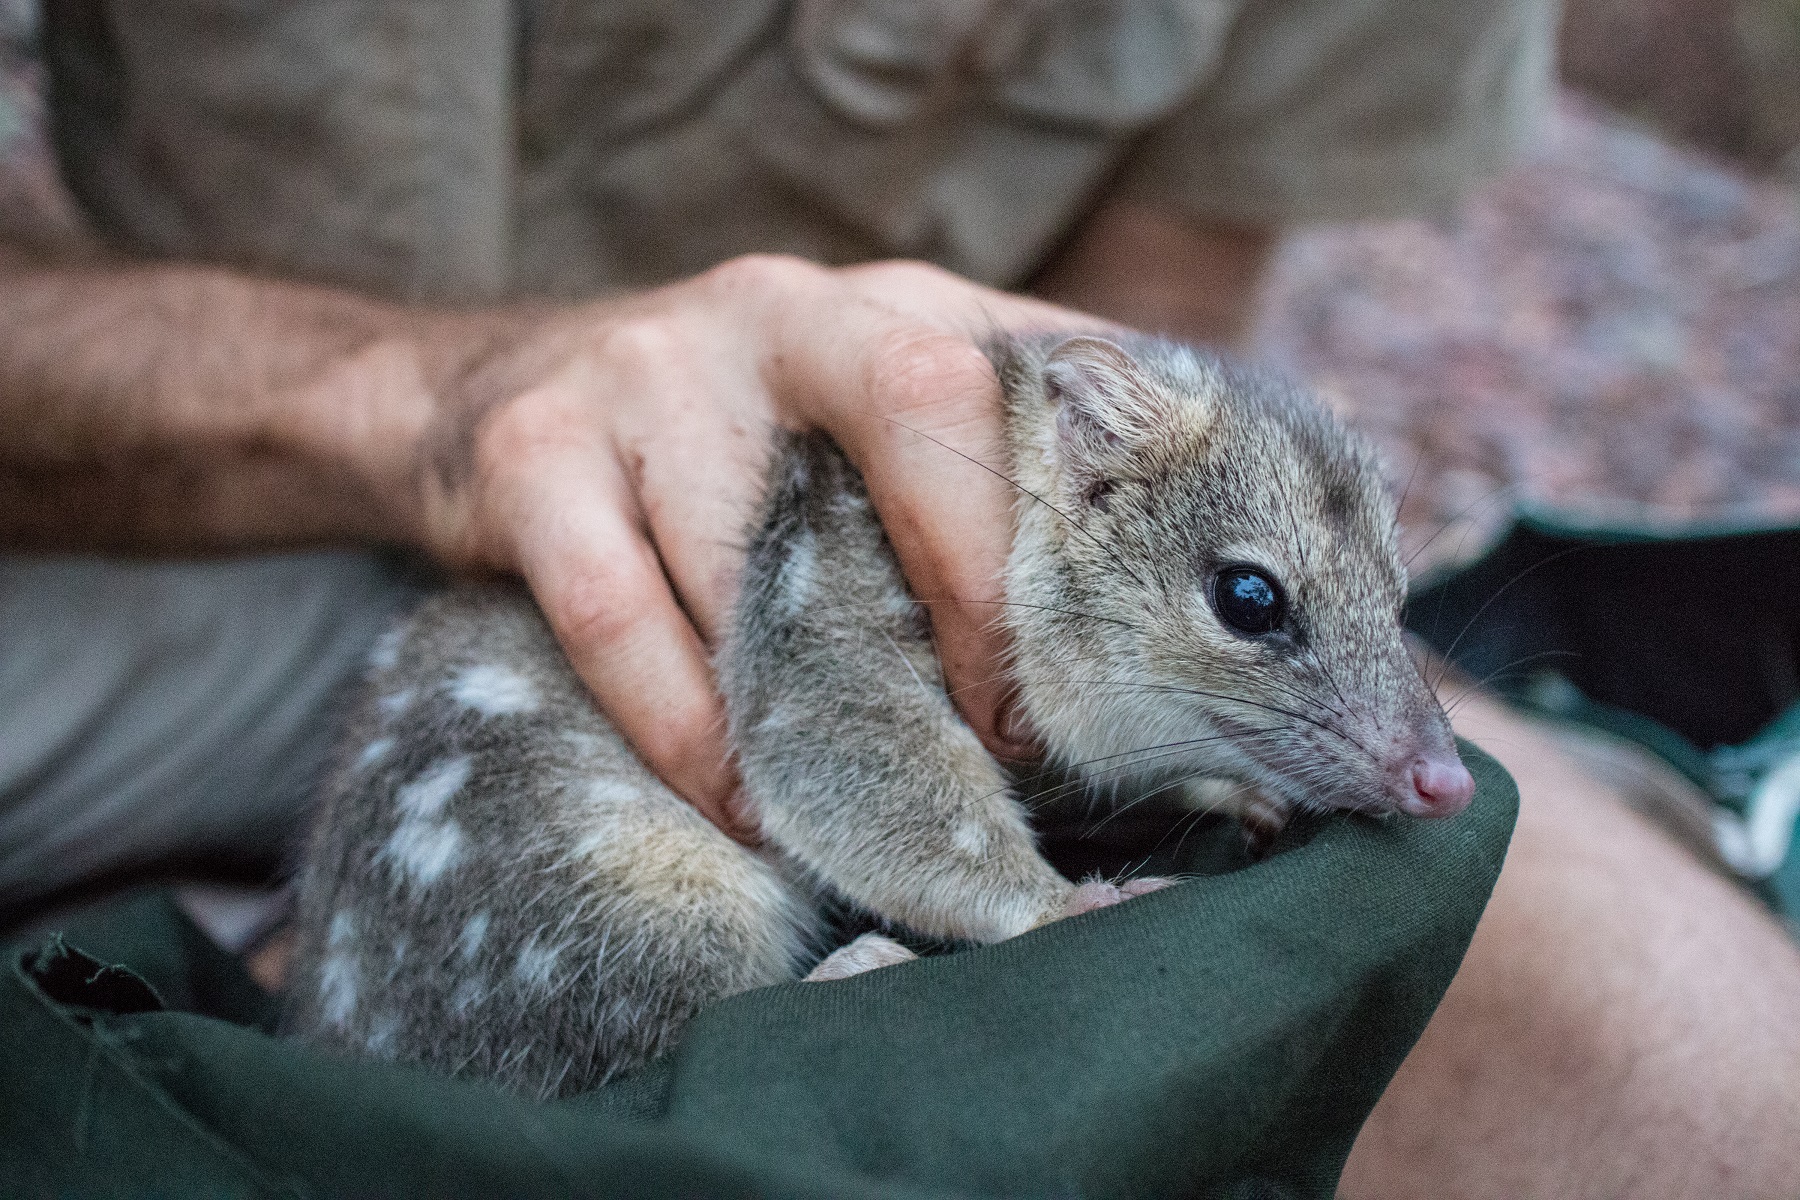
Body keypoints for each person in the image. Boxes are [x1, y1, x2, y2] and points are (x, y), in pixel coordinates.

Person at [1, 2, 1796, 1195]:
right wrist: (422, 404)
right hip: (172, 499)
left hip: (825, 555)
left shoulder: (1110, 498)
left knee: (1717, 1090)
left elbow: (1161, 362)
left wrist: (1157, 726)